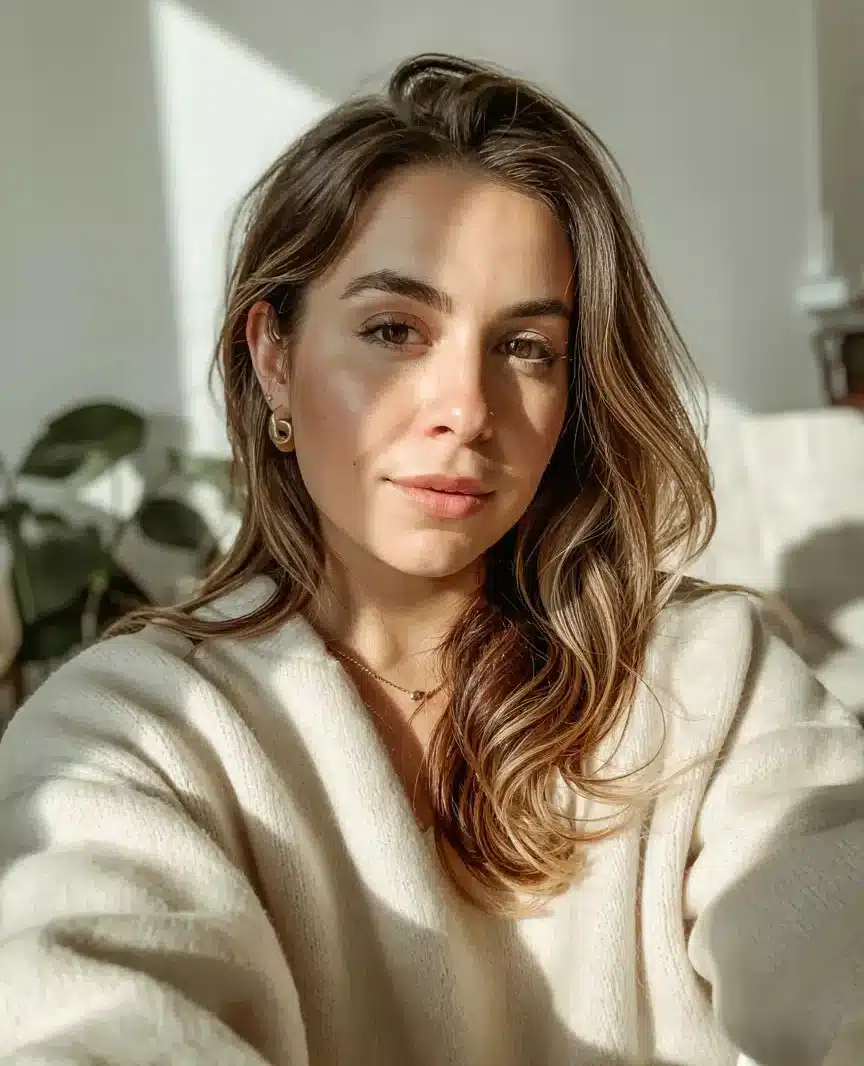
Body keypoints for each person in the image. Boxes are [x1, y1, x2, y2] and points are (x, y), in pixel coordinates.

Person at [0, 53, 861, 1066]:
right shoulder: (129, 732)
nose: (467, 410)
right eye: (394, 330)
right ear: (273, 356)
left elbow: (826, 909)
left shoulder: (713, 678)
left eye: (526, 347)